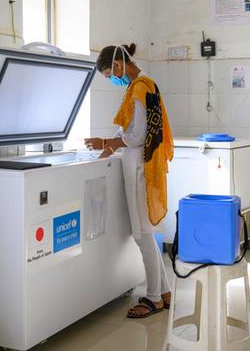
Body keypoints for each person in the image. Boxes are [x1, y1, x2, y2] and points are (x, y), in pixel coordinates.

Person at [85, 43, 174, 319]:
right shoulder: (145, 84)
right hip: (143, 165)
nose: (112, 79)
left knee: (142, 234)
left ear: (119, 64)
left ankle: (153, 298)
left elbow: (135, 136)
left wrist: (106, 141)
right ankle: (165, 291)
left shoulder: (139, 87)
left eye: (110, 74)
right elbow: (130, 129)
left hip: (139, 168)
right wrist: (108, 147)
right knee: (147, 232)